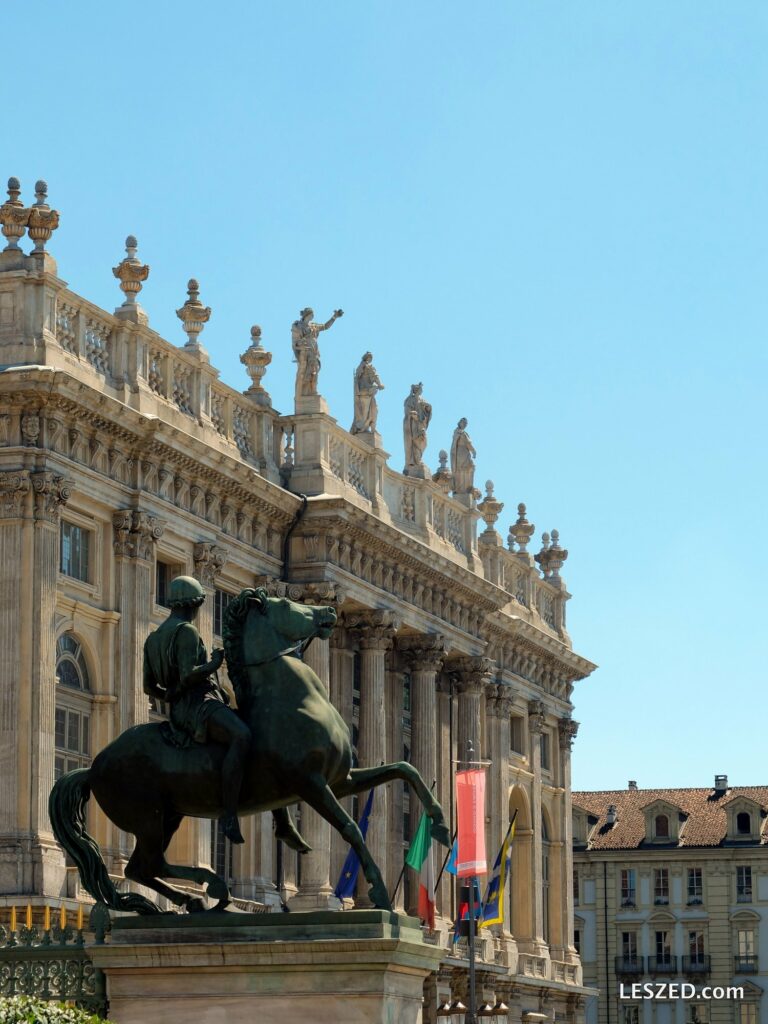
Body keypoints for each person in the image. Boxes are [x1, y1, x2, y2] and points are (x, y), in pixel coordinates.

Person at [143, 576, 250, 844]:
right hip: (200, 706)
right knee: (242, 736)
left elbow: (148, 687)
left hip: (179, 711)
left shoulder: (153, 639)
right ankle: (228, 812)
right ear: (194, 604)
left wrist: (169, 697)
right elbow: (189, 674)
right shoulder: (187, 632)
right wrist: (214, 664)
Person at [291, 306, 344, 399]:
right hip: (305, 352)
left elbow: (325, 326)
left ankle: (313, 390)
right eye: (312, 314)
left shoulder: (313, 325)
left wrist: (334, 317)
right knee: (305, 373)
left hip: (314, 351)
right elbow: (295, 341)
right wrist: (301, 344)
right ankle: (304, 393)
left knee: (314, 372)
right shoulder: (298, 326)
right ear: (307, 315)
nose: (313, 315)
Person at [350, 351, 384, 434]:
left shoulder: (360, 367)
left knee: (372, 411)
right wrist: (380, 384)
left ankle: (369, 427)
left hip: (366, 393)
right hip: (365, 393)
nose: (370, 360)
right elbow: (375, 376)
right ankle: (363, 428)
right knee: (367, 412)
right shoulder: (367, 367)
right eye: (369, 358)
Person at [403, 382, 432, 474]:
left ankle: (418, 459)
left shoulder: (422, 400)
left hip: (420, 424)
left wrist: (428, 408)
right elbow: (407, 412)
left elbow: (427, 412)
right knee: (414, 442)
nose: (421, 390)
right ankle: (415, 461)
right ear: (417, 390)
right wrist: (413, 415)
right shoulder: (409, 400)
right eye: (420, 389)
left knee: (423, 442)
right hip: (412, 425)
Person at [450, 417, 476, 495]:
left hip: (464, 453)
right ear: (460, 422)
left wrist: (472, 451)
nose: (464, 425)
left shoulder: (461, 432)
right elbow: (468, 443)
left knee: (467, 470)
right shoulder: (459, 432)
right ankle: (461, 489)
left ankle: (465, 489)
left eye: (466, 424)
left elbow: (468, 444)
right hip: (461, 453)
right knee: (462, 471)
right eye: (463, 423)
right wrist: (473, 451)